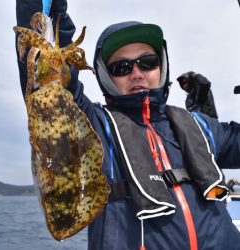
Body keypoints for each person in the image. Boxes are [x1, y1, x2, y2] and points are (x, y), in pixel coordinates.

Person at [15, 1, 240, 249]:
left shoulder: (201, 126)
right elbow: (46, 75)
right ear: (104, 76)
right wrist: (49, 9)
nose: (136, 73)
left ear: (162, 66)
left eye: (148, 62)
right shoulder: (94, 127)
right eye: (121, 67)